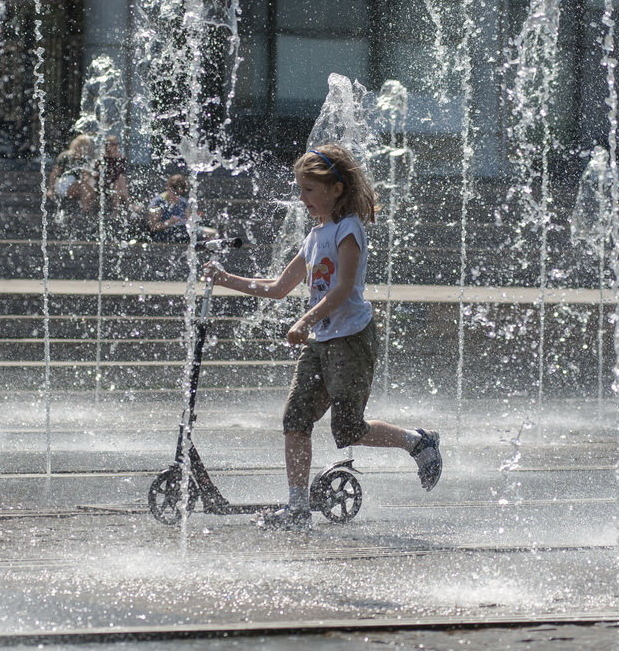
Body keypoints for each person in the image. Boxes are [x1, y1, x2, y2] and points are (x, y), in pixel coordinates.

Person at [202, 143, 442, 531]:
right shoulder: (315, 236)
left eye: (310, 190)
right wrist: (226, 279)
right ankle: (297, 507)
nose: (303, 199)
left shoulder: (349, 230)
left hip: (350, 339)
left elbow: (344, 289)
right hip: (321, 341)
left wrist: (304, 320)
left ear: (336, 189)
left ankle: (417, 441)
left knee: (347, 430)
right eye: (300, 190)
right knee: (295, 419)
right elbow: (280, 286)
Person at [147, 173, 218, 242]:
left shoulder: (182, 202)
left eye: (180, 192)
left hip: (183, 230)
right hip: (167, 233)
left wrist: (195, 216)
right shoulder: (158, 203)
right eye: (175, 192)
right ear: (168, 187)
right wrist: (169, 222)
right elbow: (153, 227)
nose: (177, 195)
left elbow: (188, 219)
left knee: (214, 233)